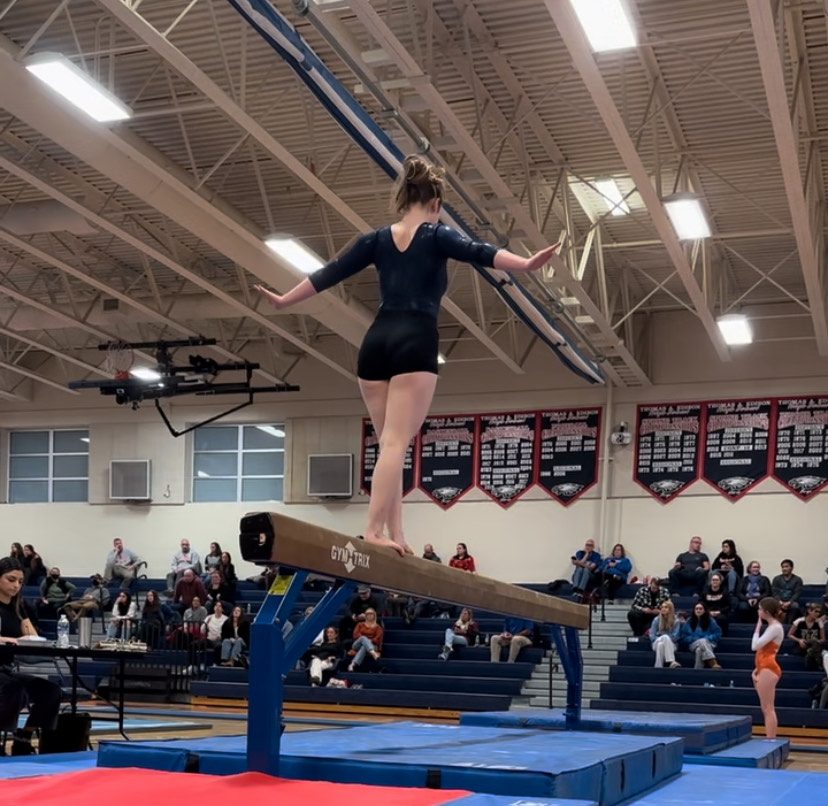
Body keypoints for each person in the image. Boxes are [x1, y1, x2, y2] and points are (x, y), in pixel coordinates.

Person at [255, 155, 561, 556]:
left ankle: (395, 533)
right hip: (415, 338)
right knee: (396, 443)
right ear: (435, 203)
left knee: (389, 445)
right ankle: (372, 529)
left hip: (376, 341)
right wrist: (525, 263)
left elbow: (330, 272)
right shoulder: (436, 235)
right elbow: (479, 251)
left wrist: (283, 301)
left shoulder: (376, 239)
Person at [0, 557, 62, 756]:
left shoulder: (19, 607)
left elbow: (32, 636)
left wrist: (28, 636)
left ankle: (23, 737)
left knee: (51, 691)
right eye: (11, 580)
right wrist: (8, 639)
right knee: (14, 689)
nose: (16, 585)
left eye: (20, 581)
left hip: (7, 670)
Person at [752, 597, 784, 739]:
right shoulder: (772, 627)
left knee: (768, 708)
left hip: (768, 667)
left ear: (765, 611)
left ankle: (771, 740)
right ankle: (769, 737)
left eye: (759, 608)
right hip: (763, 667)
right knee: (765, 708)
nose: (758, 611)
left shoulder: (775, 627)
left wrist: (758, 627)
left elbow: (755, 646)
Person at [680, 602, 722, 669]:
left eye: (700, 609)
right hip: (693, 644)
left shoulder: (710, 620)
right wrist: (694, 639)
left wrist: (707, 638)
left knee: (699, 650)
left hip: (709, 643)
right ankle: (712, 662)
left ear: (704, 610)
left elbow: (718, 633)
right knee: (702, 641)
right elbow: (683, 637)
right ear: (694, 610)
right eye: (696, 609)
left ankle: (697, 671)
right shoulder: (689, 621)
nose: (698, 610)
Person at [787, 603, 826, 670]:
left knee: (814, 644)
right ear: (809, 611)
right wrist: (799, 640)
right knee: (815, 650)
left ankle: (810, 654)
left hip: (814, 645)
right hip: (802, 645)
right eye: (816, 611)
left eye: (819, 612)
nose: (818, 614)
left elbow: (823, 639)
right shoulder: (799, 621)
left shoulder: (819, 623)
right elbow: (789, 635)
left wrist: (816, 641)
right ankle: (817, 661)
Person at [650, 601, 683, 669]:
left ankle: (658, 667)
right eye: (662, 607)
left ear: (671, 609)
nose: (663, 609)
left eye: (666, 607)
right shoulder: (656, 620)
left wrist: (662, 636)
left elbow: (675, 638)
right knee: (664, 638)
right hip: (655, 643)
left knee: (661, 645)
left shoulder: (676, 621)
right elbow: (652, 637)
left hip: (672, 645)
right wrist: (662, 638)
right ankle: (672, 661)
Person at [771, 559, 804, 624]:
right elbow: (774, 592)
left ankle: (789, 625)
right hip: (778, 601)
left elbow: (797, 593)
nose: (784, 569)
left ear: (791, 568)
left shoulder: (798, 579)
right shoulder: (776, 579)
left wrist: (789, 602)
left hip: (791, 602)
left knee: (795, 606)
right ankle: (774, 625)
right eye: (783, 567)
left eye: (786, 566)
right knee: (771, 605)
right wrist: (780, 601)